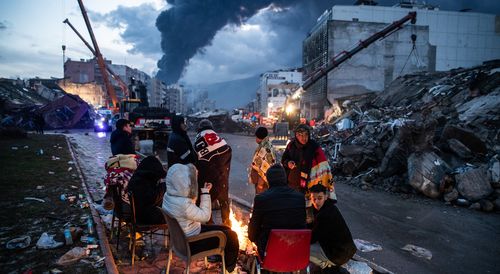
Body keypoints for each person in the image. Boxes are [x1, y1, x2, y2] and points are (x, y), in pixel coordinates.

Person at [162, 163, 239, 273]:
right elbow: (205, 217)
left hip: (180, 239)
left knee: (226, 229)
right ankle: (229, 269)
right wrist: (206, 193)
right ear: (183, 184)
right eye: (190, 182)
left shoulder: (168, 196)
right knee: (231, 236)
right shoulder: (184, 205)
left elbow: (189, 211)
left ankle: (221, 257)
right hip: (192, 243)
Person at [248, 164, 306, 258]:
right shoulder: (299, 197)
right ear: (285, 179)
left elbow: (252, 235)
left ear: (268, 181)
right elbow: (303, 225)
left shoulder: (261, 199)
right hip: (296, 250)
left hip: (270, 253)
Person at [308, 184, 356, 272]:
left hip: (339, 255)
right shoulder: (330, 207)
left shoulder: (324, 214)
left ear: (326, 197)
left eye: (319, 198)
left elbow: (312, 239)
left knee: (301, 249)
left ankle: (326, 265)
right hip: (347, 251)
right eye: (313, 199)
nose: (316, 202)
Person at [193, 119, 232, 226]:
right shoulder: (217, 137)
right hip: (222, 174)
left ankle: (209, 223)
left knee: (206, 199)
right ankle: (226, 222)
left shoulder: (198, 139)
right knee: (224, 199)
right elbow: (228, 150)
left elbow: (196, 161)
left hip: (207, 176)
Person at [281, 124, 335, 197]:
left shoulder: (314, 146)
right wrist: (288, 163)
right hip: (292, 184)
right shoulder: (291, 145)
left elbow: (323, 165)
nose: (304, 138)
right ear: (297, 135)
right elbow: (284, 159)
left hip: (309, 184)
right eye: (301, 135)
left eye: (306, 135)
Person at [127, 156, 167, 224]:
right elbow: (153, 199)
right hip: (145, 218)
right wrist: (163, 186)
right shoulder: (141, 183)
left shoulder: (139, 177)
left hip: (141, 214)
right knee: (175, 214)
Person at [249, 126, 276, 194]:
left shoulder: (265, 148)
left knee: (262, 200)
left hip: (262, 183)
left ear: (259, 137)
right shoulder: (266, 144)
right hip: (260, 181)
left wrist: (260, 183)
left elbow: (266, 168)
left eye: (256, 137)